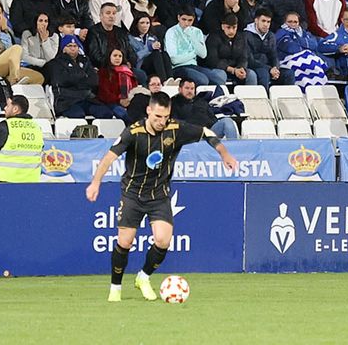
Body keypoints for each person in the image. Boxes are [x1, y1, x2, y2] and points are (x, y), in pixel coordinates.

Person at [86, 89, 238, 301]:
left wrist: (224, 153)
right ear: (149, 111)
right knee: (125, 242)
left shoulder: (175, 129)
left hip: (159, 194)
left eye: (165, 117)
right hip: (133, 194)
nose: (161, 121)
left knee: (163, 240)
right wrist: (95, 183)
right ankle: (115, 288)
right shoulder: (133, 132)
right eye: (157, 116)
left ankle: (143, 277)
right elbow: (108, 158)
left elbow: (206, 132)